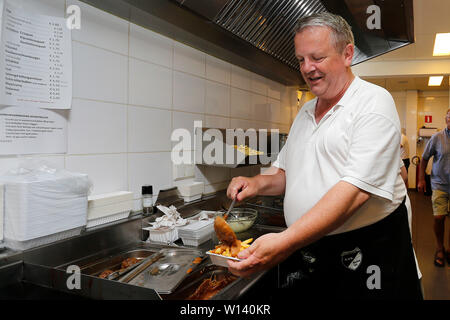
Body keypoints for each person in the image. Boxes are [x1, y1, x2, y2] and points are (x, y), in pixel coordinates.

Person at [225, 12, 422, 299]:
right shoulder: (306, 110)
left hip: (369, 253)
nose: (307, 68)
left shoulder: (373, 102)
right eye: (301, 59)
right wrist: (255, 183)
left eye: (317, 57)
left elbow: (354, 191)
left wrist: (285, 242)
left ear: (347, 54)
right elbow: (284, 172)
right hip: (315, 251)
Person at [417, 109, 450, 267]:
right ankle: (439, 248)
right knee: (439, 217)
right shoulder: (437, 137)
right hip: (439, 183)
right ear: (446, 119)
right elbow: (424, 159)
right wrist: (421, 179)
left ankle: (448, 248)